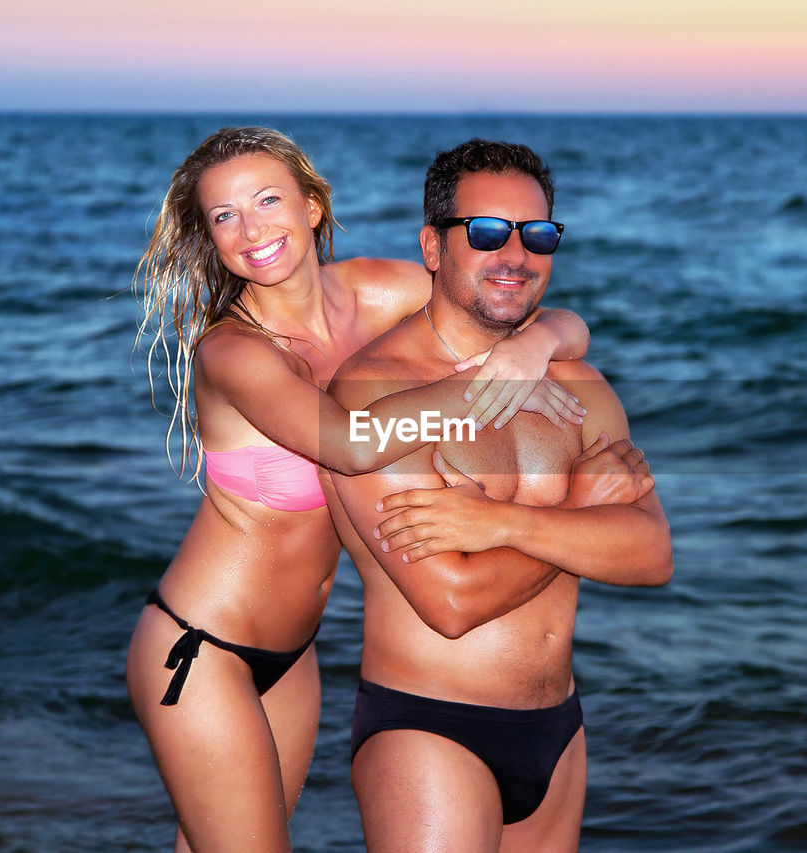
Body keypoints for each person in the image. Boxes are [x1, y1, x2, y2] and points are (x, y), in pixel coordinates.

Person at [124, 126, 592, 853]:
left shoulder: (377, 290)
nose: (252, 229)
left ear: (312, 206)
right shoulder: (233, 350)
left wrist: (536, 344)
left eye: (268, 200)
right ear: (211, 237)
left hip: (294, 654)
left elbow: (528, 314)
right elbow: (349, 442)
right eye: (225, 216)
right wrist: (480, 385)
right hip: (200, 647)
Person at [323, 138, 673, 851]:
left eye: (537, 235)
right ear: (432, 246)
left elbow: (650, 553)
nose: (516, 255)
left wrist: (500, 523)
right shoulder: (375, 397)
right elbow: (453, 603)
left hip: (559, 726)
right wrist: (578, 511)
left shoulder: (575, 383)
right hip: (431, 727)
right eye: (487, 232)